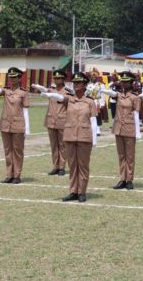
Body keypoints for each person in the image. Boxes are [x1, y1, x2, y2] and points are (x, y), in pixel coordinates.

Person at [41, 72, 98, 202]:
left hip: (84, 137)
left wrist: (94, 140)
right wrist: (48, 93)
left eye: (78, 83)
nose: (76, 85)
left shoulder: (90, 101)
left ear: (84, 84)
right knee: (72, 165)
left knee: (83, 166)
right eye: (74, 82)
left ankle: (82, 192)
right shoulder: (69, 99)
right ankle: (73, 191)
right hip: (70, 136)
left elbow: (93, 121)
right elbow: (59, 98)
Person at [0, 67, 30, 184]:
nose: (12, 79)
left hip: (18, 125)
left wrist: (27, 128)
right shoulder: (7, 91)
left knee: (18, 151)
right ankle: (9, 175)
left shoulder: (23, 92)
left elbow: (25, 110)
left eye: (14, 77)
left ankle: (17, 175)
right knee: (8, 151)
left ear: (19, 78)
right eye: (10, 77)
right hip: (5, 124)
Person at [101, 71, 142, 190]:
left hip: (129, 128)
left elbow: (136, 115)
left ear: (131, 83)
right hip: (118, 128)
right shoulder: (118, 95)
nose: (123, 84)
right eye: (122, 82)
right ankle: (122, 179)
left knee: (130, 156)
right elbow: (111, 93)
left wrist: (137, 132)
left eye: (126, 82)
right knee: (121, 155)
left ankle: (129, 179)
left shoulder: (135, 97)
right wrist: (101, 90)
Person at [31, 69, 72, 176]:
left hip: (62, 121)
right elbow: (45, 91)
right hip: (51, 120)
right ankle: (55, 166)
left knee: (62, 145)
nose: (56, 80)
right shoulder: (51, 90)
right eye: (55, 78)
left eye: (59, 78)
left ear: (63, 79)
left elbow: (69, 103)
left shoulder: (68, 91)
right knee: (53, 145)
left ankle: (62, 166)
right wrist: (41, 89)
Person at [86, 69, 104, 136]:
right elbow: (87, 94)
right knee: (91, 115)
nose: (93, 79)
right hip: (90, 101)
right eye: (92, 78)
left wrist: (102, 103)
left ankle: (98, 129)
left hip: (97, 101)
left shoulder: (100, 85)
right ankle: (92, 128)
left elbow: (102, 94)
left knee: (98, 116)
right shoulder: (89, 85)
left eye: (94, 77)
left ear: (97, 78)